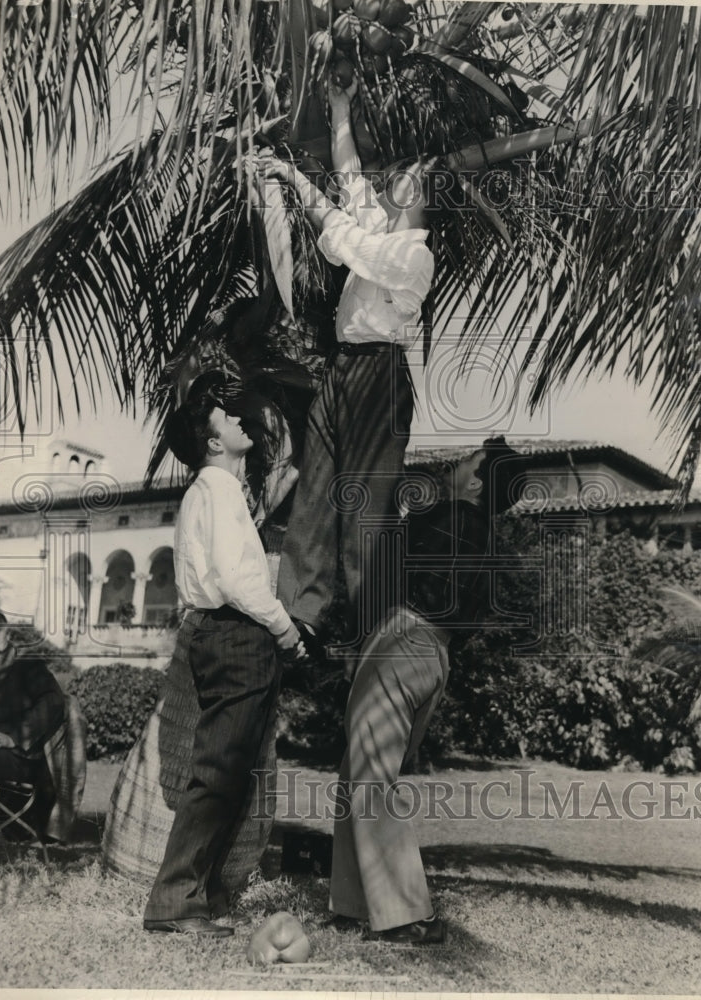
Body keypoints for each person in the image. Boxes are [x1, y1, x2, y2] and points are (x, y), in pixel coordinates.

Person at [260, 76, 449, 654]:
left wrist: (295, 179)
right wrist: (338, 109)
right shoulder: (379, 227)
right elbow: (348, 176)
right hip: (343, 367)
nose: (393, 184)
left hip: (377, 376)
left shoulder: (412, 256)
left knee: (366, 506)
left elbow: (342, 232)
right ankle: (302, 612)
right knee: (315, 489)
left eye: (404, 181)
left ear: (418, 200)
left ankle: (374, 627)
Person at [328, 439, 528, 944]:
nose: (455, 463)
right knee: (360, 774)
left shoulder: (449, 516)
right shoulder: (484, 538)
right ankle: (357, 905)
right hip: (434, 652)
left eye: (468, 461)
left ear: (476, 482)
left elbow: (383, 556)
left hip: (405, 641)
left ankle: (407, 915)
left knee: (369, 778)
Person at [142, 378, 304, 939]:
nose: (238, 421)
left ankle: (200, 897)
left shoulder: (206, 492)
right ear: (214, 443)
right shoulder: (220, 490)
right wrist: (284, 628)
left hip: (217, 633)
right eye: (227, 419)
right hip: (237, 634)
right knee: (219, 775)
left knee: (229, 775)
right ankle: (175, 901)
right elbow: (237, 580)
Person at [0, 609, 85, 844]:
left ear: (8, 635)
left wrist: (14, 736)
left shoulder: (27, 666)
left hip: (17, 756)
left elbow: (53, 702)